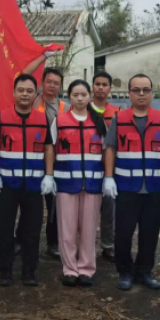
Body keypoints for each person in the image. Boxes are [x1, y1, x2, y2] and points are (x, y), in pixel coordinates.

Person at [103, 74, 160, 291]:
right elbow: (111, 148)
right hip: (126, 186)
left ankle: (145, 271)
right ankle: (125, 271)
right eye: (137, 90)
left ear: (152, 92)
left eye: (146, 90)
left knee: (149, 233)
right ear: (129, 93)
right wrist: (108, 177)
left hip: (153, 187)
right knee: (123, 232)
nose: (141, 94)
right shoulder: (120, 118)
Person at [0, 74, 55, 287]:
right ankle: (5, 270)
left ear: (36, 94)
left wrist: (49, 175)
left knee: (32, 230)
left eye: (29, 90)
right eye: (20, 90)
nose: (24, 94)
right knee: (5, 229)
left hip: (34, 185)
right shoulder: (2, 117)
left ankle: (29, 271)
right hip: (7, 184)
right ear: (14, 92)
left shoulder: (43, 119)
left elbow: (48, 148)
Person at [52, 80, 106, 287]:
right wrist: (50, 176)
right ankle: (69, 269)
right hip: (66, 182)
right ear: (69, 97)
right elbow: (51, 149)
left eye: (84, 94)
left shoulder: (99, 121)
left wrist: (107, 177)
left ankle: (86, 269)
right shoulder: (60, 120)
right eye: (76, 94)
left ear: (90, 96)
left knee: (89, 228)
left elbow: (105, 151)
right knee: (67, 228)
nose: (80, 98)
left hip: (93, 183)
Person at [23, 55, 68, 259]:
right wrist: (42, 57)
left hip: (57, 163)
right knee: (27, 203)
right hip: (32, 160)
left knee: (54, 206)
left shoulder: (65, 108)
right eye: (48, 81)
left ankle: (53, 243)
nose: (52, 85)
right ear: (41, 83)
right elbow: (23, 76)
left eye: (56, 83)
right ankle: (20, 240)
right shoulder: (31, 100)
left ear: (60, 86)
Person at [91, 71, 121, 262]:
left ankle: (108, 245)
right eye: (97, 84)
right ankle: (84, 244)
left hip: (111, 168)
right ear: (92, 86)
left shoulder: (118, 113)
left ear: (110, 89)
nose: (100, 88)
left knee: (110, 208)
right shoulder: (82, 110)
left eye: (104, 84)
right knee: (87, 209)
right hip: (88, 167)